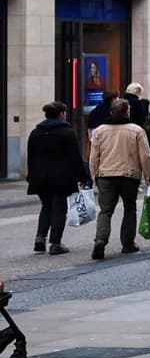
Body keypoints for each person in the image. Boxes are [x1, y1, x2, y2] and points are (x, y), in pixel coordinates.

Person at [88, 98, 150, 261]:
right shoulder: (136, 130)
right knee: (129, 208)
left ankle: (100, 240)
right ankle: (127, 243)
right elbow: (145, 155)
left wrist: (94, 174)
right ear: (127, 112)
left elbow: (93, 156)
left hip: (106, 175)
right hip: (129, 175)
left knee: (105, 210)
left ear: (111, 112)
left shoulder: (100, 131)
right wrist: (148, 174)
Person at [27, 101, 88, 255]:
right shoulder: (67, 132)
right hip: (61, 176)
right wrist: (82, 176)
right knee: (60, 209)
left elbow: (31, 157)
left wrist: (31, 175)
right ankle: (55, 243)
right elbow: (75, 156)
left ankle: (40, 238)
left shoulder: (36, 133)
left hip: (40, 176)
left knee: (46, 206)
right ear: (61, 114)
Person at [123, 82, 150, 153]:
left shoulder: (122, 101)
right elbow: (142, 119)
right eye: (139, 92)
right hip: (136, 130)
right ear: (137, 91)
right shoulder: (137, 103)